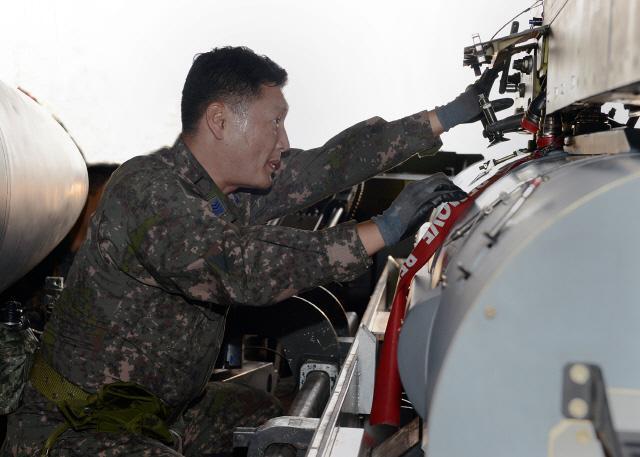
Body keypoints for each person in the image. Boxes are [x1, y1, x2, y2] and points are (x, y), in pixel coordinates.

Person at [2, 46, 503, 456]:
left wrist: (446, 117)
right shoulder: (148, 194)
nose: (284, 141)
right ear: (220, 121)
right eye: (275, 123)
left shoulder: (223, 191)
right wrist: (382, 227)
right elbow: (239, 269)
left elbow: (330, 163)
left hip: (164, 412)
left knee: (281, 429)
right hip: (79, 426)